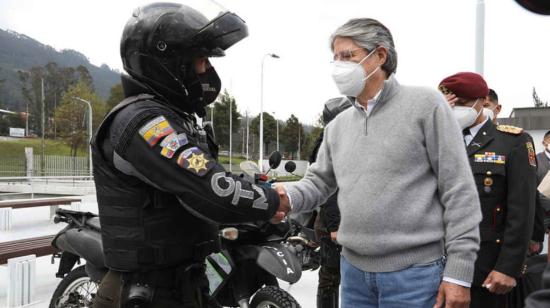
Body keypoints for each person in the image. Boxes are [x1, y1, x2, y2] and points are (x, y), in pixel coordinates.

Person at [91, 2, 288, 307]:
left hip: (185, 281)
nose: (207, 70)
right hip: (147, 291)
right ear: (168, 63)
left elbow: (210, 172)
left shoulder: (177, 120)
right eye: (200, 60)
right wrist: (272, 200)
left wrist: (259, 189)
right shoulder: (143, 123)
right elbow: (211, 188)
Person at [276, 18, 482, 308]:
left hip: (415, 276)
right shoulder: (338, 126)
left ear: (380, 56)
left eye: (348, 56)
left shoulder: (426, 105)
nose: (339, 65)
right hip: (354, 274)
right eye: (335, 58)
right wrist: (286, 197)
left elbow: (459, 190)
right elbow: (319, 182)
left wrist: (459, 274)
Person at [439, 72, 537, 308]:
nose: (455, 109)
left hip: (485, 266)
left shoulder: (512, 142)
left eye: (461, 104)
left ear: (482, 101)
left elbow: (522, 209)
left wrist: (509, 267)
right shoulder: (437, 137)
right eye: (449, 104)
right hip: (434, 264)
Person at [484, 89, 545, 256]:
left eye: (486, 105)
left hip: (501, 235)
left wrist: (535, 234)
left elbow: (528, 192)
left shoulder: (513, 141)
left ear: (497, 109)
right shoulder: (455, 139)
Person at [311, 97, 352, 308]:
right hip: (332, 221)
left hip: (345, 220)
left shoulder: (341, 139)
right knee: (330, 276)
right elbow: (329, 191)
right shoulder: (326, 145)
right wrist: (335, 226)